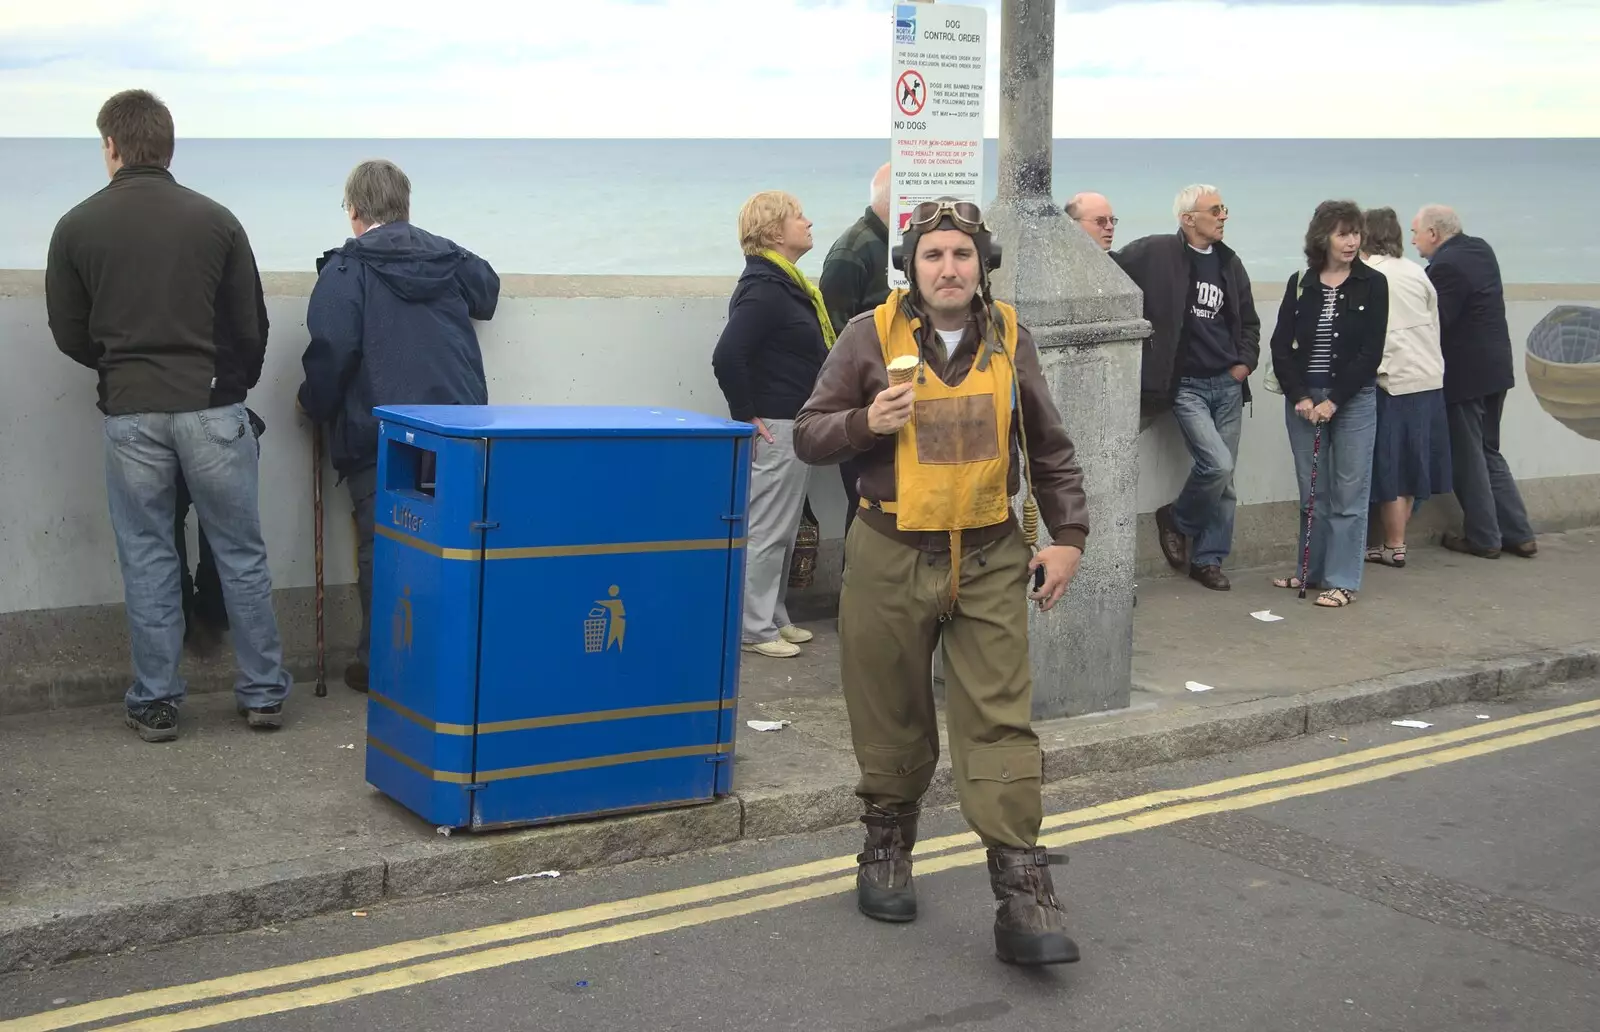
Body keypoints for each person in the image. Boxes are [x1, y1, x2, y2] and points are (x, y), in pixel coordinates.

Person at [794, 197, 1090, 966]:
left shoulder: (1009, 337)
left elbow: (1049, 446)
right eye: (933, 256)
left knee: (999, 718)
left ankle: (1022, 892)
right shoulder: (867, 338)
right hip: (891, 549)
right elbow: (809, 433)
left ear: (981, 263)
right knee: (889, 711)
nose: (948, 268)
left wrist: (1069, 538)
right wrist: (867, 424)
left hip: (991, 553)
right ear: (910, 268)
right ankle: (886, 847)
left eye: (962, 254)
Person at [45, 88, 292, 740]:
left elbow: (69, 331)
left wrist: (120, 374)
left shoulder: (76, 226)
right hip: (212, 408)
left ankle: (156, 701)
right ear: (168, 145)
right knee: (241, 555)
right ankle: (263, 693)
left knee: (149, 556)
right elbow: (251, 326)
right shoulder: (216, 220)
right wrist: (225, 388)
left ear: (112, 146)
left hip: (131, 412)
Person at [297, 159, 500, 693]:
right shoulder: (445, 256)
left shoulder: (347, 270)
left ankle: (383, 661)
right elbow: (489, 293)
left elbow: (331, 349)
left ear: (355, 212)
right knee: (455, 542)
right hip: (457, 425)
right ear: (406, 207)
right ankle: (455, 656)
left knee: (384, 546)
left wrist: (313, 405)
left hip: (382, 431)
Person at [1113, 184, 1261, 590]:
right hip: (1186, 386)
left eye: (1223, 208)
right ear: (1188, 218)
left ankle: (1208, 560)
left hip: (1227, 384)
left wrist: (1244, 364)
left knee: (1225, 481)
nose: (1223, 216)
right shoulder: (1157, 252)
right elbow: (1108, 266)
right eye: (1215, 210)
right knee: (1217, 464)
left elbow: (1249, 322)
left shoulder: (1230, 264)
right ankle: (1175, 519)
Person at [712, 191, 831, 659]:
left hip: (793, 422)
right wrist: (747, 417)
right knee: (766, 528)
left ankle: (774, 616)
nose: (808, 221)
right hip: (776, 424)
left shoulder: (784, 284)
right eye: (798, 216)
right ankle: (754, 627)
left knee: (781, 527)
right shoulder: (765, 288)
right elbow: (727, 355)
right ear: (774, 231)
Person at [1267, 200, 1389, 608]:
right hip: (1304, 398)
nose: (1351, 241)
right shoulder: (1301, 281)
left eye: (1355, 232)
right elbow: (1280, 347)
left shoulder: (1373, 284)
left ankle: (1342, 580)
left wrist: (1334, 401)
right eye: (1342, 233)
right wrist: (1301, 396)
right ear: (1323, 237)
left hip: (1352, 400)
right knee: (1311, 493)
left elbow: (1369, 353)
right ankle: (1311, 571)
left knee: (1349, 494)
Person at [1411, 205, 1536, 559]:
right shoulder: (1480, 249)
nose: (1413, 240)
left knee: (1467, 457)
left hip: (1465, 375)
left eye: (1415, 232)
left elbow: (1436, 322)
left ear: (1433, 234)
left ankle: (1484, 537)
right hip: (1496, 369)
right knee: (1488, 450)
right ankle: (1520, 534)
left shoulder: (1445, 267)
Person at [1360, 207, 1451, 568]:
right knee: (1414, 467)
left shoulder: (1370, 276)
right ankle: (1396, 542)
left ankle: (1393, 544)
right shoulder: (1417, 273)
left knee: (1391, 468)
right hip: (1428, 379)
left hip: (1393, 382)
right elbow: (1433, 323)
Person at [819, 163, 893, 535]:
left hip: (899, 399)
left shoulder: (902, 247)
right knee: (866, 501)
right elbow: (832, 332)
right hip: (862, 404)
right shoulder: (854, 250)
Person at [174, 407, 266, 653]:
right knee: (229, 531)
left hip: (153, 416)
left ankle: (178, 614)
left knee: (161, 532)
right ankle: (215, 607)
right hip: (220, 415)